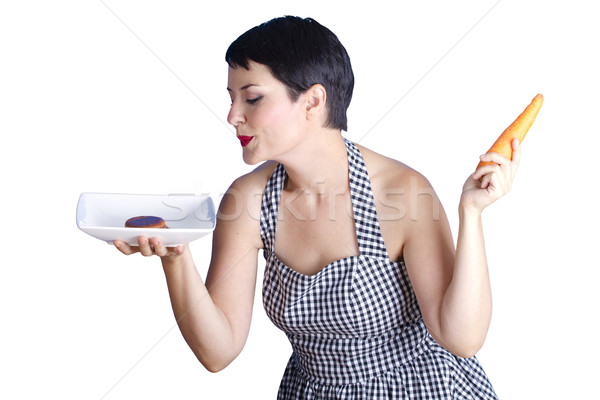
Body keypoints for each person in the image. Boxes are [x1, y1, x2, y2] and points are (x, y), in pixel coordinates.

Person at [114, 16, 520, 399]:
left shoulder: (402, 194)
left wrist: (471, 212)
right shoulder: (248, 202)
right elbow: (218, 352)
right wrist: (175, 257)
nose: (232, 116)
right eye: (232, 98)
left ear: (313, 102)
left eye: (252, 98)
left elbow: (462, 338)